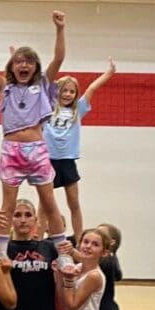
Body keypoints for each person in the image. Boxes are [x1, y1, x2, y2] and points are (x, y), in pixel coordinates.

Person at [0, 12, 71, 265]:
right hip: (11, 150)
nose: (23, 65)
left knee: (49, 202)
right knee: (7, 205)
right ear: (12, 67)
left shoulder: (42, 86)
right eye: (18, 61)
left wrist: (60, 28)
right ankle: (3, 253)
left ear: (35, 67)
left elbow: (59, 57)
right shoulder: (5, 88)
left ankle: (62, 252)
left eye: (29, 61)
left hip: (36, 149)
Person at [42, 59, 116, 238]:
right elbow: (44, 82)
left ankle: (78, 237)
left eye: (72, 91)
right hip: (48, 159)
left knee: (74, 202)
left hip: (67, 159)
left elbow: (91, 89)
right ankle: (37, 238)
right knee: (44, 203)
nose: (68, 94)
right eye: (64, 90)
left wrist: (109, 73)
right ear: (57, 92)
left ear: (76, 95)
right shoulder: (47, 107)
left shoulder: (78, 109)